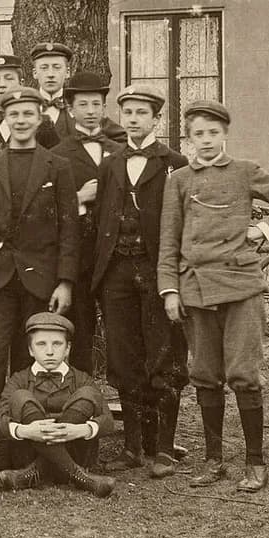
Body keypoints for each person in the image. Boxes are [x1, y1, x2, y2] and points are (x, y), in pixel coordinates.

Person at [158, 99, 269, 492]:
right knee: (205, 375)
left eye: (213, 133)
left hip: (241, 286)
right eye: (198, 134)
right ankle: (212, 460)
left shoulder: (245, 172)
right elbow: (168, 239)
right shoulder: (178, 180)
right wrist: (170, 289)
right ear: (188, 139)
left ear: (225, 135)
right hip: (195, 289)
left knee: (243, 375)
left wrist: (263, 231)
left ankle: (255, 462)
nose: (206, 141)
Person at [0, 87, 79, 420]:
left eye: (28, 114)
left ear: (39, 119)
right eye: (15, 114)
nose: (21, 120)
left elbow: (70, 229)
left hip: (41, 281)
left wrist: (65, 282)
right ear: (5, 119)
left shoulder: (58, 166)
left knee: (33, 362)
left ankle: (27, 435)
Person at [93, 84, 190, 476]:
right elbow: (101, 217)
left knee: (164, 353)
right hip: (116, 272)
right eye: (127, 112)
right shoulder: (111, 162)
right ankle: (133, 448)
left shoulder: (175, 162)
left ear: (156, 119)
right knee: (123, 356)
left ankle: (163, 448)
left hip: (157, 271)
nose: (133, 119)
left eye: (141, 113)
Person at [49, 71, 124, 372]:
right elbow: (49, 209)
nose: (91, 111)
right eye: (83, 105)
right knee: (80, 327)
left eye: (96, 104)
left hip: (113, 254)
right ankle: (82, 392)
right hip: (77, 254)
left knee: (118, 328)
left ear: (105, 108)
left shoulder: (120, 152)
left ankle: (121, 397)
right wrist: (78, 198)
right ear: (71, 109)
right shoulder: (57, 155)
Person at [0, 313, 116, 497]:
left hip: (75, 451)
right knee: (20, 397)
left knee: (88, 394)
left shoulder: (82, 378)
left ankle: (30, 475)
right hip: (28, 453)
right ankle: (80, 477)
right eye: (41, 344)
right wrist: (26, 431)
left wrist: (80, 430)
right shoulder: (19, 379)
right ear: (30, 350)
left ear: (67, 349)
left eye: (57, 344)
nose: (49, 351)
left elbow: (108, 421)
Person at [29, 42, 126, 141]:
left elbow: (122, 139)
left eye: (57, 67)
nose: (50, 74)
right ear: (35, 73)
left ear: (67, 72)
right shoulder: (26, 106)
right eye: (44, 68)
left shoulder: (79, 104)